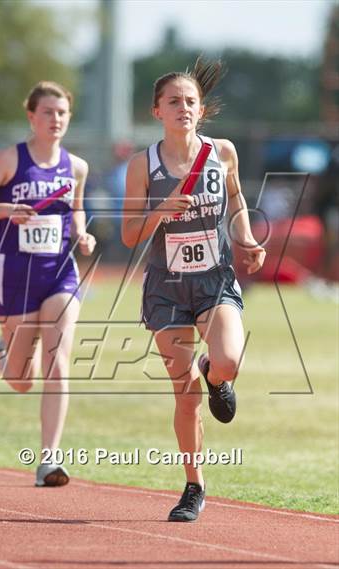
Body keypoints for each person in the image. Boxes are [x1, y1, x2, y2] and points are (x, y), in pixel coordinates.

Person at [121, 58, 265, 522]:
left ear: (201, 110)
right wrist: (161, 209)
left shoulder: (222, 152)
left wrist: (245, 238)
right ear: (156, 111)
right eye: (173, 102)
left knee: (228, 361)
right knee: (185, 396)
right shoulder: (142, 165)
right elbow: (128, 235)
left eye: (190, 101)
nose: (183, 108)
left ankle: (215, 373)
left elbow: (238, 199)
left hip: (214, 279)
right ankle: (193, 486)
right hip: (167, 288)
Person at [0, 81, 96, 487]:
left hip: (59, 272)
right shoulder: (9, 160)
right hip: (15, 276)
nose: (56, 119)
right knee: (22, 380)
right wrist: (6, 210)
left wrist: (82, 234)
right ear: (31, 117)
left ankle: (49, 461)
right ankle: (1, 351)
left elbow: (76, 211)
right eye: (48, 112)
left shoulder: (77, 167)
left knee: (58, 361)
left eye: (62, 113)